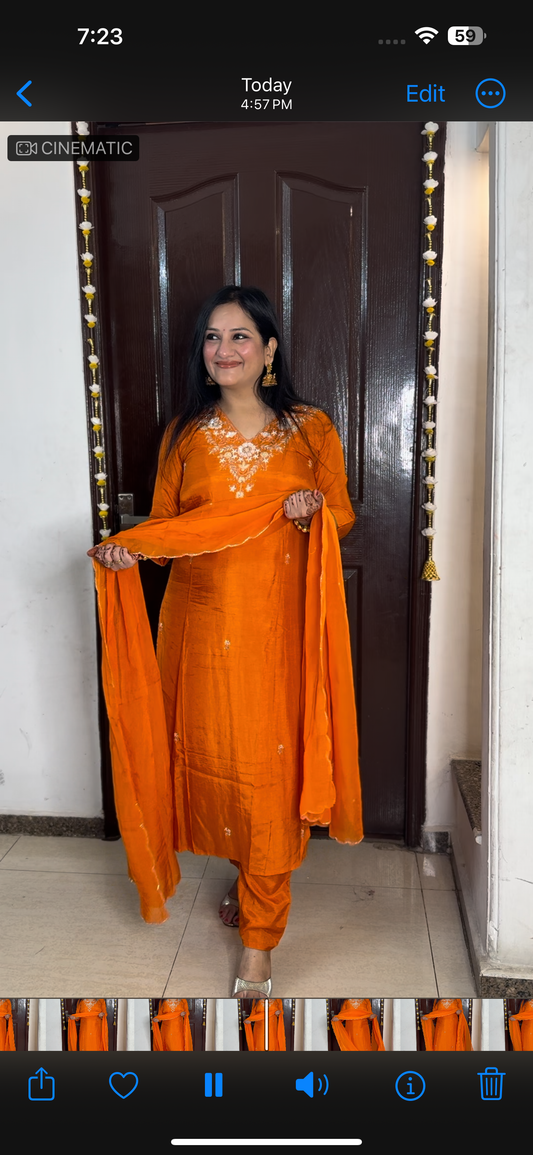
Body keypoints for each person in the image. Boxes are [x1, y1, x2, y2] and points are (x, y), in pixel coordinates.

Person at [88, 285, 363, 997]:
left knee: (270, 772)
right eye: (212, 338)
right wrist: (130, 550)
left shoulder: (310, 429)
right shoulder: (184, 433)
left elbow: (341, 514)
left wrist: (310, 514)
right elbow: (169, 528)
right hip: (201, 629)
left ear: (269, 349)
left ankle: (259, 942)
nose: (224, 350)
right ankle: (245, 888)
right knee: (217, 762)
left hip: (281, 630)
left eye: (240, 337)